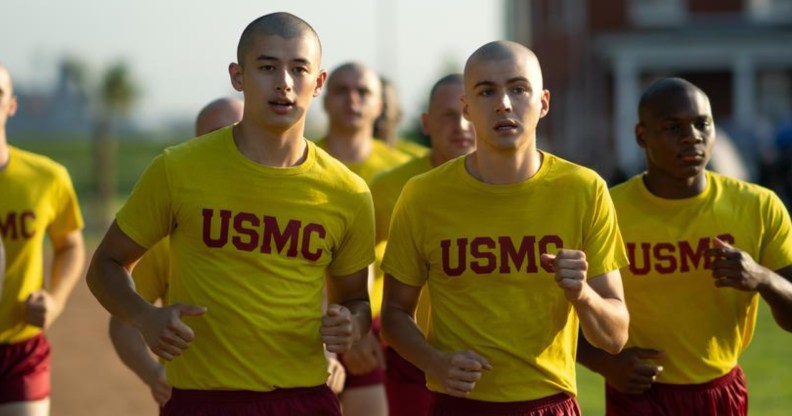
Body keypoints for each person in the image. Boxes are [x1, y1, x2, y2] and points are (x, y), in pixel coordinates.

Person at [86, 12, 373, 416]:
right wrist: (144, 317)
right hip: (202, 401)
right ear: (238, 76)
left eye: (298, 69)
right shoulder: (178, 168)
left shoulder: (347, 192)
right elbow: (104, 266)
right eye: (267, 67)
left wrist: (352, 324)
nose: (284, 83)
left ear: (318, 83)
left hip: (304, 399)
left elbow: (357, 300)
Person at [380, 40, 629, 415]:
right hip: (459, 405)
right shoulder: (423, 195)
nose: (504, 104)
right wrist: (433, 362)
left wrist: (582, 295)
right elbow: (395, 315)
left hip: (550, 404)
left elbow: (616, 337)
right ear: (466, 107)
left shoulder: (583, 189)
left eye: (518, 88)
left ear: (543, 102)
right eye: (486, 91)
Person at [577, 77, 792, 416]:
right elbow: (557, 308)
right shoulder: (607, 209)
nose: (692, 137)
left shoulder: (759, 206)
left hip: (719, 390)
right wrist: (603, 362)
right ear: (641, 135)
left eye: (702, 124)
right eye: (672, 127)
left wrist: (762, 277)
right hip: (639, 391)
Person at [107, 97, 245, 410]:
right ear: (196, 146)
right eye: (214, 135)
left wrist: (329, 355)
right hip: (195, 399)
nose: (229, 143)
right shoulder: (169, 235)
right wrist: (153, 373)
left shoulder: (291, 213)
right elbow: (123, 323)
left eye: (238, 131)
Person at [370, 73, 475, 416]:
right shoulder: (395, 187)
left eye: (467, 112)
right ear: (426, 123)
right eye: (447, 115)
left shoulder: (511, 185)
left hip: (490, 356)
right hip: (412, 352)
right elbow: (354, 263)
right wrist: (358, 329)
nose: (460, 124)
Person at [317, 61, 412, 416]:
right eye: (341, 91)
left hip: (375, 324)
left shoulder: (404, 170)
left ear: (379, 105)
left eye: (363, 92)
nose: (352, 100)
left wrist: (360, 329)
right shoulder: (298, 160)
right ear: (324, 100)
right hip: (301, 315)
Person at [0, 63, 86, 416]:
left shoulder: (46, 178)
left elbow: (70, 244)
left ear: (11, 105)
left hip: (21, 349)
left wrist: (55, 300)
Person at [373, 75, 429, 158]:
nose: (377, 113)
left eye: (384, 107)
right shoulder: (348, 159)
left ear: (399, 114)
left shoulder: (415, 158)